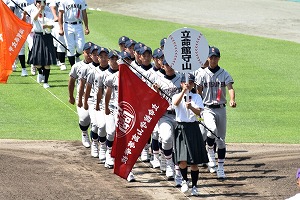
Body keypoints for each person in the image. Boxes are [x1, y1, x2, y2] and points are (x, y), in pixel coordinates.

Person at [195, 46, 236, 179]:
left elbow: (230, 87)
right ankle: (211, 155)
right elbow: (198, 91)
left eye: (215, 57)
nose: (213, 60)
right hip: (207, 108)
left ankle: (220, 168)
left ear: (218, 58)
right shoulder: (202, 74)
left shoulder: (224, 73)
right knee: (211, 129)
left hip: (221, 108)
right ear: (207, 58)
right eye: (211, 57)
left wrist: (232, 99)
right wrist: (198, 106)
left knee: (222, 141)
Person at [172, 73, 208, 196]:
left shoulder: (196, 97)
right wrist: (183, 92)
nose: (189, 85)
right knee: (182, 160)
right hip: (181, 127)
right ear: (181, 83)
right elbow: (175, 104)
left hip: (193, 127)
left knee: (194, 161)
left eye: (191, 83)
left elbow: (199, 112)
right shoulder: (177, 95)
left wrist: (191, 108)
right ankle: (184, 181)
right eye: (187, 83)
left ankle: (194, 186)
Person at [68, 41, 94, 148]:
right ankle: (84, 133)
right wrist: (71, 96)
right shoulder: (77, 66)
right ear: (83, 52)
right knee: (84, 118)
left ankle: (97, 142)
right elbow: (71, 82)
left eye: (91, 53)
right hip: (82, 97)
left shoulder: (99, 66)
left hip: (97, 98)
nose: (89, 55)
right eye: (87, 52)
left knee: (97, 123)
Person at [28, 0, 56, 88]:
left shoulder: (48, 13)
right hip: (38, 36)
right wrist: (39, 10)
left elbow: (52, 25)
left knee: (47, 61)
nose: (40, 4)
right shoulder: (34, 12)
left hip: (47, 37)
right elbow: (34, 19)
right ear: (36, 3)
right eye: (38, 2)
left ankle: (46, 82)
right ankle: (40, 72)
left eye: (42, 2)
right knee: (38, 61)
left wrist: (47, 26)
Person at [58, 0, 89, 67]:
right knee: (70, 47)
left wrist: (86, 27)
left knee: (81, 47)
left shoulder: (81, 1)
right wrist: (61, 28)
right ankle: (73, 66)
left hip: (79, 24)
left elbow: (84, 13)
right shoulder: (64, 1)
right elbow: (60, 14)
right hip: (68, 25)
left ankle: (76, 55)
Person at [49, 0, 67, 71]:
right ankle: (61, 62)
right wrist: (55, 16)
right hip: (57, 22)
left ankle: (60, 60)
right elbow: (52, 7)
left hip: (67, 22)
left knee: (63, 43)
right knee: (58, 43)